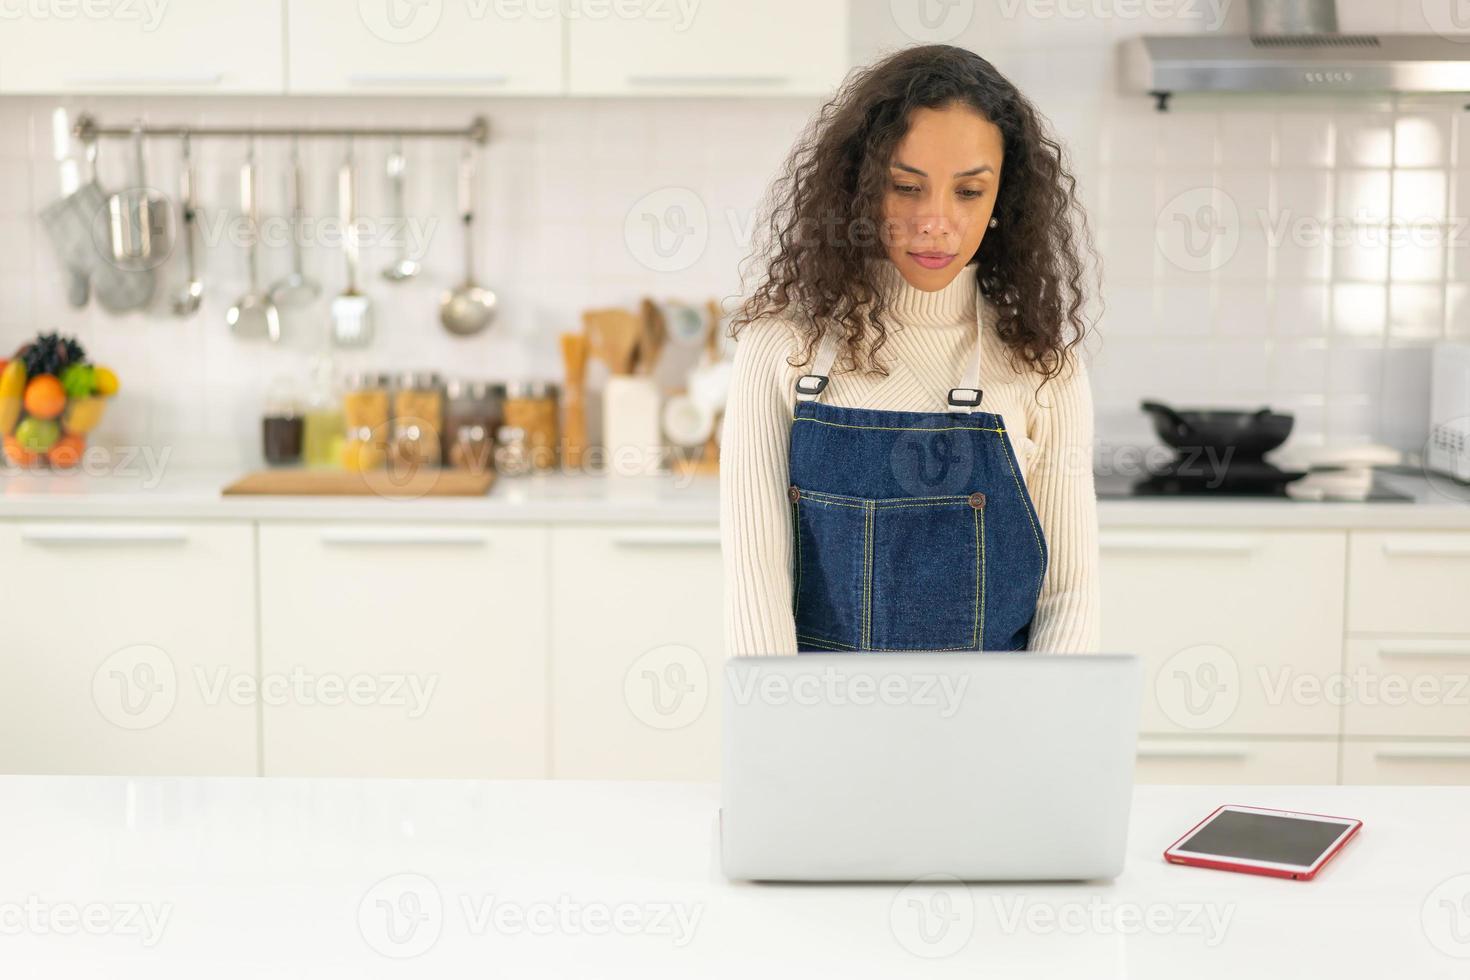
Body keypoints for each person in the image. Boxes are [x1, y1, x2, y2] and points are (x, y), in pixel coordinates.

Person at [720, 44, 1101, 656]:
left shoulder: (1041, 365)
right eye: (906, 187)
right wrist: (785, 739)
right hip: (824, 729)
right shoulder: (783, 348)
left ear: (1003, 200)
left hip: (994, 728)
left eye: (969, 192)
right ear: (860, 190)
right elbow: (755, 589)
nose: (935, 221)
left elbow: (1068, 598)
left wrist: (1041, 739)